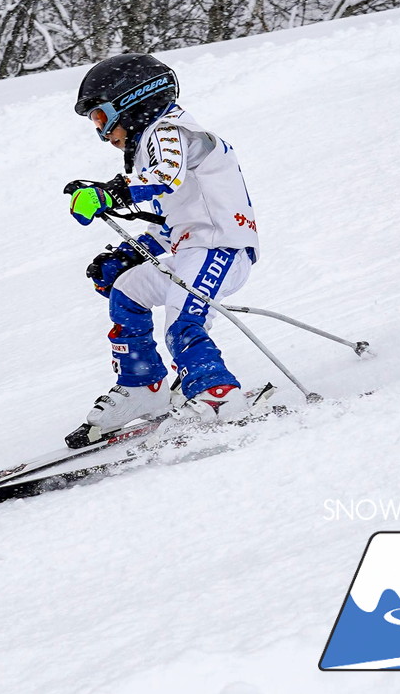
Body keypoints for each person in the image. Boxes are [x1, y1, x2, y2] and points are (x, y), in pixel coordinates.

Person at [62, 53, 260, 449]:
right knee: (128, 289)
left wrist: (110, 192)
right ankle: (143, 384)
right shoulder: (155, 140)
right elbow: (174, 223)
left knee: (182, 320)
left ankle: (217, 395)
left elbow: (163, 177)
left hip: (220, 249)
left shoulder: (171, 130)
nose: (103, 135)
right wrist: (129, 255)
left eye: (101, 119)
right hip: (195, 248)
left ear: (132, 101)